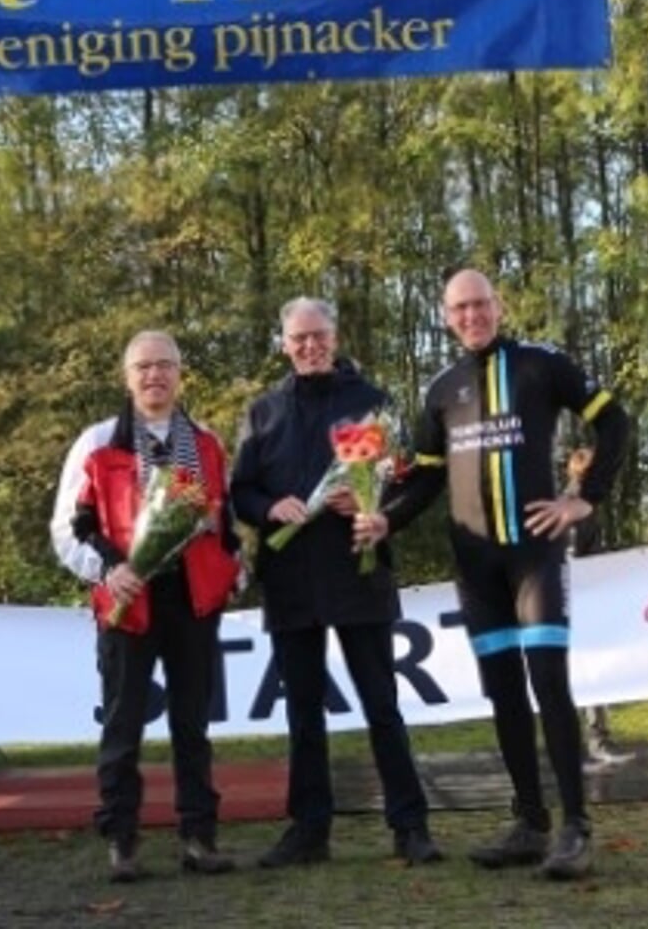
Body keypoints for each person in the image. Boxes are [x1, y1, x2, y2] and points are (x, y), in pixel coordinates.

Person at [356, 270, 631, 882]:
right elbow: (424, 477)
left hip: (533, 556)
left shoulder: (540, 365)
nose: (472, 315)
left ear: (498, 307)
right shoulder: (442, 388)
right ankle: (530, 824)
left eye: (481, 304)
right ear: (446, 316)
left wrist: (584, 498)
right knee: (503, 693)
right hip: (476, 567)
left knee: (549, 686)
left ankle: (575, 830)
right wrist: (384, 522)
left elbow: (614, 421)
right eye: (460, 308)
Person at [229, 298, 443, 869]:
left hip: (357, 567)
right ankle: (309, 831)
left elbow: (398, 482)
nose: (309, 346)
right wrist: (271, 506)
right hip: (290, 578)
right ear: (283, 343)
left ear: (334, 337)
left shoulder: (368, 403)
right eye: (298, 338)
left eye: (318, 336)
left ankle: (410, 826)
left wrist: (373, 507)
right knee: (302, 712)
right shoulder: (264, 412)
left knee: (382, 705)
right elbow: (239, 493)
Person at [50, 330, 241, 883]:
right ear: (127, 376)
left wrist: (234, 570)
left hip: (193, 599)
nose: (154, 376)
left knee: (192, 724)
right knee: (122, 724)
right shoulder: (97, 442)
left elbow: (224, 523)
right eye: (143, 367)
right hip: (128, 602)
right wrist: (112, 570)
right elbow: (69, 528)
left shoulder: (205, 442)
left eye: (165, 366)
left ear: (180, 374)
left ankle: (199, 837)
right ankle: (122, 840)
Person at [563, 447, 632, 769]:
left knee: (586, 673)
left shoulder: (582, 504)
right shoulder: (575, 507)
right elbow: (575, 560)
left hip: (582, 601)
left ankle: (592, 742)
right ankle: (589, 744)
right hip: (575, 603)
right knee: (582, 673)